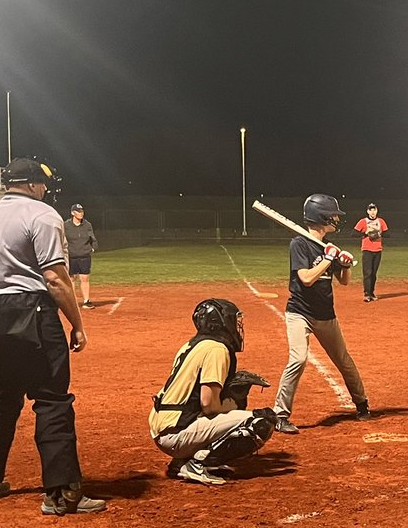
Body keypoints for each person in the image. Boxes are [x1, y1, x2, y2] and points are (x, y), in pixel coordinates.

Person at [0, 157, 106, 515]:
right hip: (36, 310)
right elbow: (56, 279)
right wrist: (77, 323)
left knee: (3, 397)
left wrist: (3, 311)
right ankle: (62, 492)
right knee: (52, 399)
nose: (45, 188)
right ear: (30, 184)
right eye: (42, 183)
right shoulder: (43, 215)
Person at [149, 299, 278, 485]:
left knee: (234, 412)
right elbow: (208, 405)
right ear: (220, 322)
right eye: (233, 320)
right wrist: (234, 402)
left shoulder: (193, 344)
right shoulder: (217, 350)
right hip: (176, 434)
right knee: (259, 423)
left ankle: (181, 462)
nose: (236, 326)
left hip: (164, 428)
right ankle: (198, 463)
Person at [273, 194, 372, 434]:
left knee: (343, 360)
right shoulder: (300, 244)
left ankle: (362, 404)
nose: (337, 219)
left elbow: (344, 281)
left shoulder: (329, 247)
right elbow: (305, 278)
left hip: (325, 314)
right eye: (334, 215)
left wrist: (344, 264)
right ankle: (280, 414)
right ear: (322, 217)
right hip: (299, 313)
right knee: (298, 359)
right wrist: (328, 258)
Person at [353, 202, 388, 302]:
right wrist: (365, 232)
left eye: (374, 209)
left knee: (374, 273)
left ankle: (372, 292)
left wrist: (379, 233)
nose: (373, 212)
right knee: (367, 272)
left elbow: (387, 233)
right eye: (371, 209)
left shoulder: (381, 221)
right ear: (367, 211)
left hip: (378, 250)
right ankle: (366, 294)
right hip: (367, 249)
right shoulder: (363, 221)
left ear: (377, 211)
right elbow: (353, 233)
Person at [64, 203, 98, 308]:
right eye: (78, 211)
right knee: (72, 279)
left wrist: (93, 247)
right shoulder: (66, 225)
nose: (81, 213)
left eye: (82, 211)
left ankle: (86, 301)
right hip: (71, 256)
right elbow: (62, 239)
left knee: (85, 278)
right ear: (72, 213)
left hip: (84, 255)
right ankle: (72, 302)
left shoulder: (87, 225)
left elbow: (92, 238)